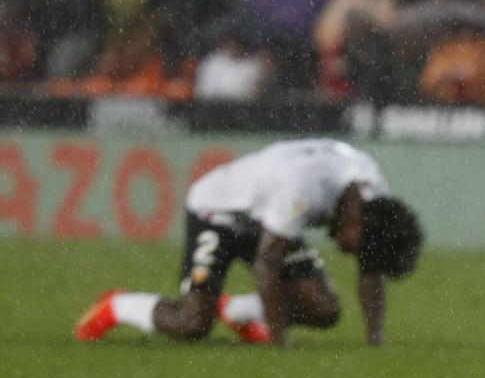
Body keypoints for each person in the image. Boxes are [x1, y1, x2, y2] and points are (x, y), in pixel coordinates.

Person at [74, 139, 423, 347]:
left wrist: (375, 339)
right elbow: (267, 264)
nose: (350, 253)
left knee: (324, 310)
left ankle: (236, 311)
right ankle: (116, 306)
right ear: (356, 221)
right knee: (193, 324)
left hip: (268, 219)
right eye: (356, 246)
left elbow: (370, 267)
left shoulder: (374, 196)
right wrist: (280, 343)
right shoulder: (305, 189)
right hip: (221, 210)